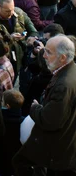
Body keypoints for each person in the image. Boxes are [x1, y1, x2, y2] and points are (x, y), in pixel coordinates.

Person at [12, 35, 76, 176]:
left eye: (48, 52)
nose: (44, 56)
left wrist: (35, 108)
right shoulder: (69, 72)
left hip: (60, 155)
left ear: (63, 58)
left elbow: (51, 121)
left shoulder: (63, 84)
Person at [0, 0, 37, 74]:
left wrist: (31, 38)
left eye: (12, 9)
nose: (11, 13)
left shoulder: (19, 13)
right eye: (7, 11)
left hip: (22, 55)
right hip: (4, 61)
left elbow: (33, 30)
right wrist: (10, 38)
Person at [0, 90, 25, 176]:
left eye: (2, 101)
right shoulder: (23, 121)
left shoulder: (0, 120)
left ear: (7, 106)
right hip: (15, 162)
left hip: (0, 159)